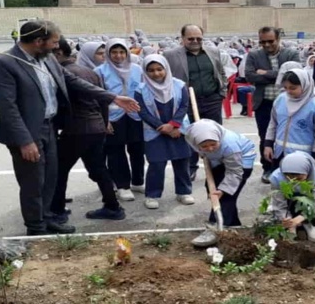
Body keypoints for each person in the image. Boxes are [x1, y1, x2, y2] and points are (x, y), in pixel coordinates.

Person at [0, 20, 139, 236]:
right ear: (39, 41)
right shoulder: (5, 63)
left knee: (52, 177)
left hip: (50, 127)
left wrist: (113, 97)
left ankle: (49, 218)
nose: (56, 46)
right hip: (28, 132)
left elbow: (75, 82)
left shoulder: (48, 58)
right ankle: (36, 228)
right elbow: (7, 107)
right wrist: (24, 140)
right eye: (53, 42)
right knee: (33, 182)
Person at [49, 39, 125, 221]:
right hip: (96, 127)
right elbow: (103, 100)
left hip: (77, 129)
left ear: (58, 53)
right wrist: (104, 123)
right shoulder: (90, 72)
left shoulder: (63, 73)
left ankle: (58, 210)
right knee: (99, 168)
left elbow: (61, 104)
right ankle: (113, 206)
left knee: (59, 170)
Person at [163, 24, 228, 180]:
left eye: (198, 38)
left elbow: (221, 73)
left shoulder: (213, 52)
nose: (195, 41)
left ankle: (216, 167)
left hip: (212, 99)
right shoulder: (170, 55)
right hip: (186, 102)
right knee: (190, 134)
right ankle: (191, 167)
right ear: (183, 38)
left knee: (213, 135)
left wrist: (222, 92)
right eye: (190, 38)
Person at [134, 54, 196, 210]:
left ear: (166, 69)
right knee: (156, 163)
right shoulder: (140, 90)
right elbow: (142, 112)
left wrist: (174, 125)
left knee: (182, 161)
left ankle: (183, 192)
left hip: (177, 130)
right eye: (151, 70)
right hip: (155, 132)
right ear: (145, 72)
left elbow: (184, 106)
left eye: (159, 69)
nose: (156, 73)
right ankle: (152, 195)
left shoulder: (179, 85)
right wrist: (162, 127)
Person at [185, 119, 256, 246]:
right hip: (220, 160)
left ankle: (215, 227)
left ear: (218, 139)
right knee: (210, 187)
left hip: (241, 162)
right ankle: (232, 225)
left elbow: (235, 172)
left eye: (213, 144)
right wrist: (203, 152)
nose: (210, 148)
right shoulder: (191, 136)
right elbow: (198, 148)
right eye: (204, 146)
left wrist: (223, 189)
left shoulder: (230, 146)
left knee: (225, 195)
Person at [245, 27, 301, 182]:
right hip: (264, 104)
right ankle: (268, 169)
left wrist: (265, 73)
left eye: (270, 41)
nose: (267, 45)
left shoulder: (291, 54)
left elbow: (294, 75)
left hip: (288, 105)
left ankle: (289, 168)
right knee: (265, 138)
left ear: (278, 39)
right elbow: (250, 76)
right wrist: (278, 74)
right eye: (263, 42)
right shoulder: (254, 55)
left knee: (289, 138)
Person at [96, 39, 146, 202]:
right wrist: (104, 120)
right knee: (116, 152)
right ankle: (122, 185)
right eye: (114, 52)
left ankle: (138, 181)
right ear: (108, 54)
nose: (118, 56)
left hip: (135, 116)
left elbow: (145, 91)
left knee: (138, 149)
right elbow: (97, 98)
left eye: (122, 52)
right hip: (113, 118)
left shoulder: (137, 69)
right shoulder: (100, 71)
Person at [263, 67, 315, 170]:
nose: (288, 91)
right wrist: (268, 144)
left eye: (293, 88)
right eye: (285, 87)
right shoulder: (281, 99)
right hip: (279, 153)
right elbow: (273, 123)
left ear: (305, 85)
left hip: (303, 156)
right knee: (280, 183)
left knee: (301, 185)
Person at [268, 151, 315, 242]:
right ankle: (290, 224)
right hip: (289, 204)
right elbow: (279, 203)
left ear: (308, 171)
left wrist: (301, 217)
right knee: (283, 211)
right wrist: (287, 220)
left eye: (299, 178)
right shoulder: (276, 177)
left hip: (308, 205)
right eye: (288, 177)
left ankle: (311, 223)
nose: (293, 181)